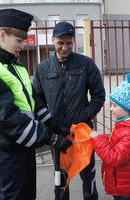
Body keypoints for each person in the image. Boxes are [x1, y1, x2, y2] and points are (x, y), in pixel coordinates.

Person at [0, 9, 72, 200]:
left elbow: (32, 102)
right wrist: (52, 138)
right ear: (2, 35)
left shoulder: (16, 66)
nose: (22, 46)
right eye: (18, 40)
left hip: (23, 149)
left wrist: (53, 123)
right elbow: (7, 119)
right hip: (4, 154)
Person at [33, 21, 106, 200]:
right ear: (53, 41)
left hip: (82, 132)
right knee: (60, 179)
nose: (65, 47)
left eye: (68, 42)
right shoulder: (43, 68)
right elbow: (37, 100)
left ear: (73, 41)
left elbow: (99, 95)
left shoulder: (86, 64)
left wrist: (85, 115)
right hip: (57, 134)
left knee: (88, 176)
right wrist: (51, 122)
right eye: (60, 43)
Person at [90, 69, 130, 200]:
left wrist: (98, 140)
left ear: (127, 108)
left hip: (125, 188)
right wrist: (103, 138)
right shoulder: (124, 125)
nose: (111, 109)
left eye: (114, 106)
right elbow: (117, 143)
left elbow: (115, 158)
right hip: (120, 183)